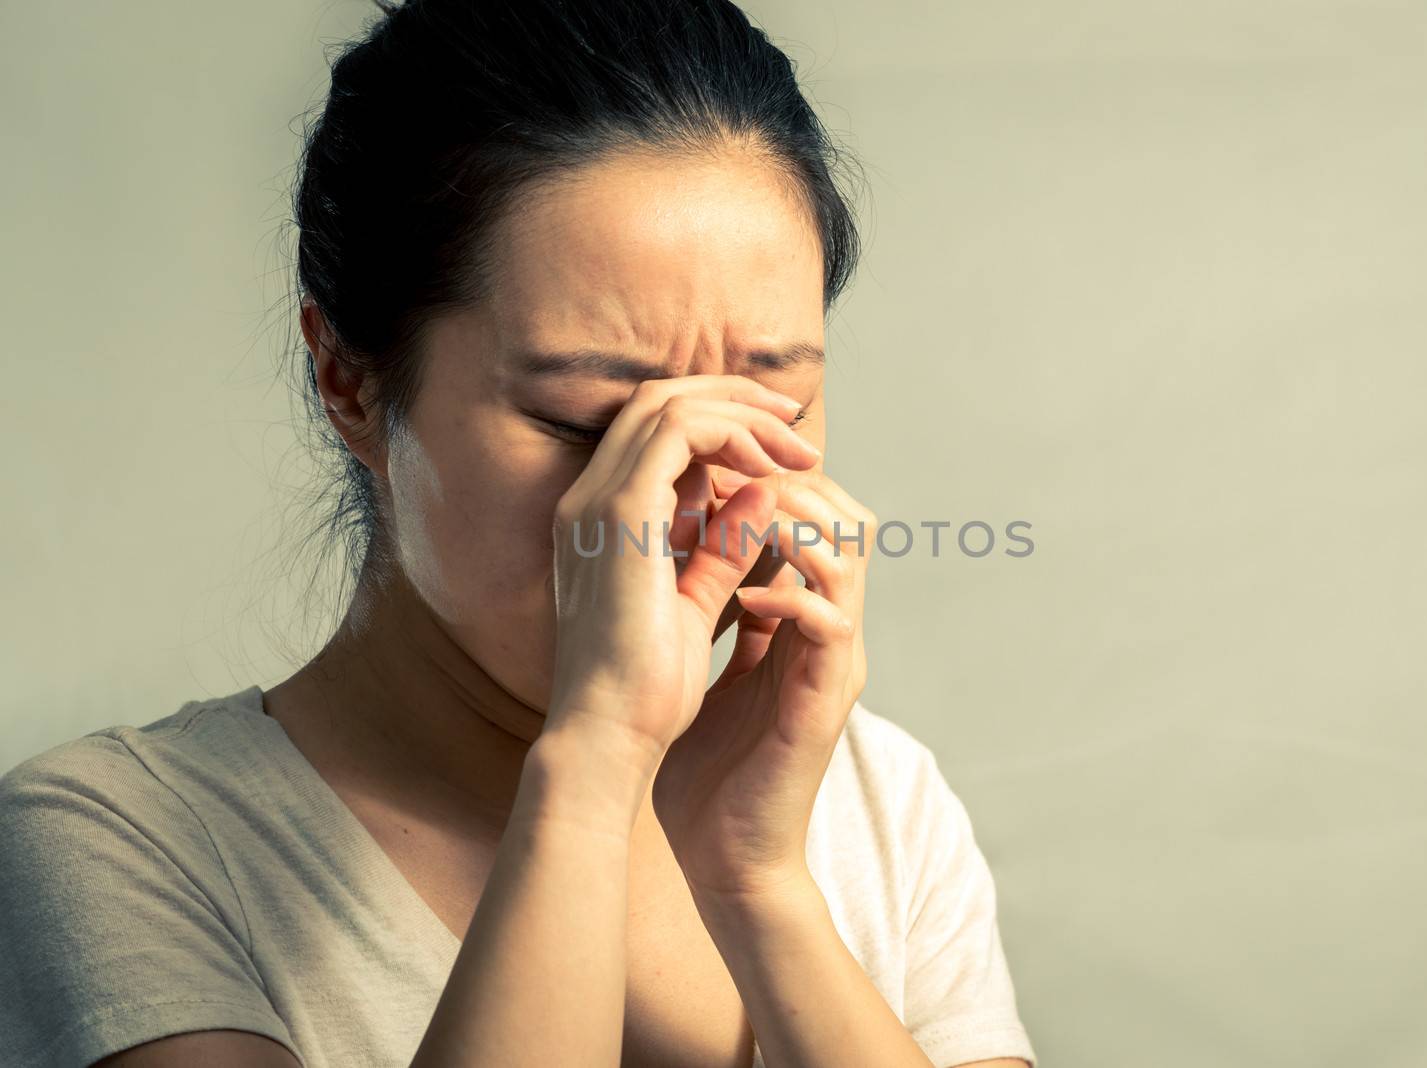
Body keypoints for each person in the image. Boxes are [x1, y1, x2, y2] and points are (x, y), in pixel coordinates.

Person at [0, 1, 1038, 1065]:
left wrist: (759, 884)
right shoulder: (122, 842)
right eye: (584, 424)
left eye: (768, 408)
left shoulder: (870, 802)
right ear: (348, 379)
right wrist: (593, 766)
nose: (678, 497)